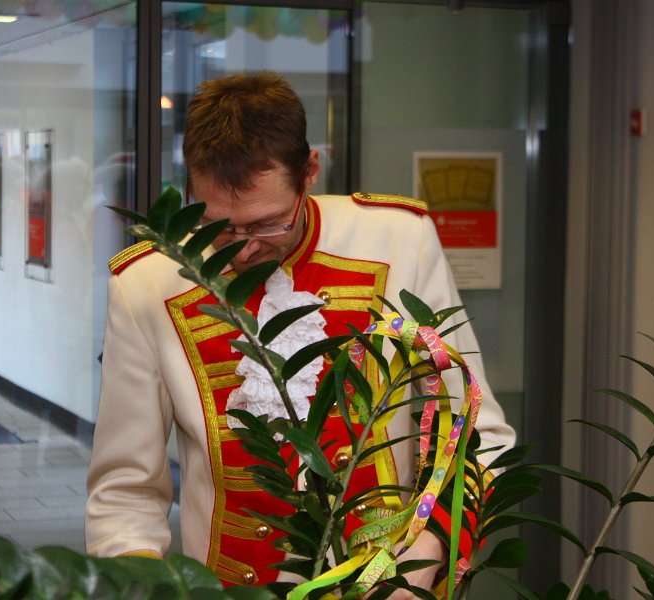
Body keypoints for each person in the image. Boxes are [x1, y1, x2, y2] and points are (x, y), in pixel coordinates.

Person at [85, 71, 516, 593]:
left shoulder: (401, 241)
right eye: (219, 226)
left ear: (310, 171)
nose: (243, 249)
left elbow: (478, 438)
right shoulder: (144, 285)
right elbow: (125, 493)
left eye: (267, 223)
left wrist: (427, 557)